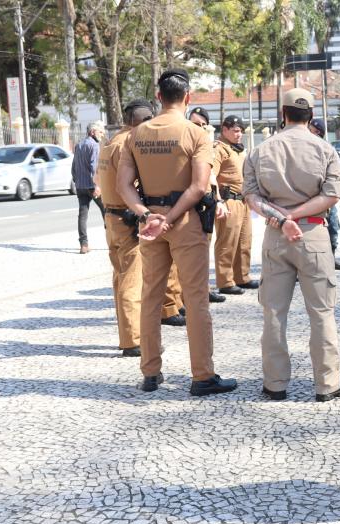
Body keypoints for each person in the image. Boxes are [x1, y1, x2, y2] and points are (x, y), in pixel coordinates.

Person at [115, 68, 238, 397]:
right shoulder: (196, 134)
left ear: (158, 97)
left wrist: (147, 215)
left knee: (151, 297)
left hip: (151, 225)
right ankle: (202, 375)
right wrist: (169, 217)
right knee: (195, 299)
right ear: (188, 98)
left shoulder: (135, 135)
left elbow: (123, 185)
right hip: (184, 221)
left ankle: (150, 373)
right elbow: (199, 186)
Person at [243, 88, 340, 402]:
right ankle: (327, 384)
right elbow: (332, 195)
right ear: (312, 115)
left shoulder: (260, 151)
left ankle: (275, 384)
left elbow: (252, 197)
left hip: (276, 236)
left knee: (274, 313)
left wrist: (281, 217)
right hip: (313, 233)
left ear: (283, 113)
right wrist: (296, 214)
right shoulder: (324, 150)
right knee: (321, 312)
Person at [94, 100, 154, 356]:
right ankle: (133, 341)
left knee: (120, 279)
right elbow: (128, 185)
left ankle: (126, 335)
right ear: (141, 123)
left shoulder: (109, 143)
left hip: (112, 217)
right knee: (132, 280)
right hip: (127, 219)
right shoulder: (127, 145)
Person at [212, 115, 258, 295]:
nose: (239, 134)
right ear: (224, 130)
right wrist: (218, 201)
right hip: (229, 200)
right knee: (227, 242)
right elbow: (211, 176)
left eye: (241, 131)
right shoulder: (219, 148)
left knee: (245, 241)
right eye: (235, 131)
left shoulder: (238, 149)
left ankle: (242, 276)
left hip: (243, 200)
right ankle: (225, 281)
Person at [188, 106, 227, 303]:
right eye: (196, 124)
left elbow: (212, 177)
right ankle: (178, 299)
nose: (200, 128)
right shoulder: (185, 144)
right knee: (188, 255)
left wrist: (218, 200)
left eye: (203, 125)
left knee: (204, 249)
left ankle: (204, 289)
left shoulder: (208, 147)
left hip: (207, 203)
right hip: (190, 204)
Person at [309, 118, 340, 270]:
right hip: (308, 199)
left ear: (317, 132)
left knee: (333, 229)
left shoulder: (326, 150)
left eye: (310, 128)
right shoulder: (303, 149)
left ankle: (330, 259)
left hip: (326, 199)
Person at [73, 121, 106, 254]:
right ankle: (112, 240)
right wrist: (97, 185)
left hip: (80, 186)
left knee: (82, 215)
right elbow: (94, 167)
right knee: (107, 211)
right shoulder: (94, 145)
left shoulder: (79, 145)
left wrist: (76, 180)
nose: (101, 135)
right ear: (92, 132)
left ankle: (84, 245)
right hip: (92, 186)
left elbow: (74, 166)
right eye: (100, 132)